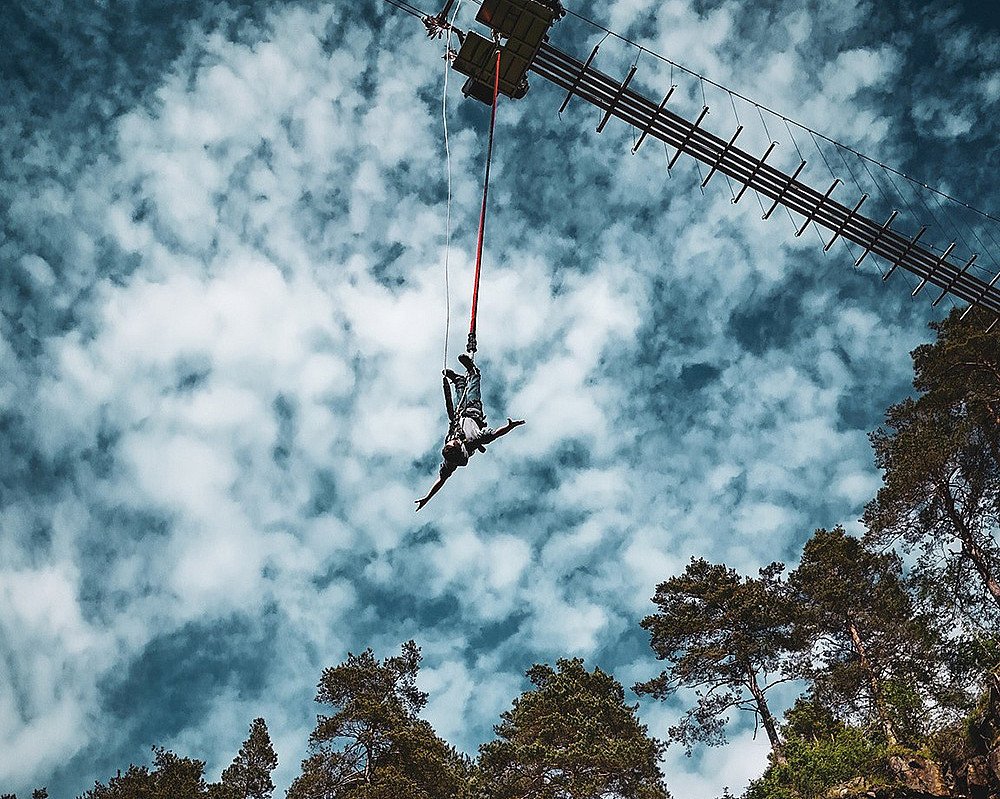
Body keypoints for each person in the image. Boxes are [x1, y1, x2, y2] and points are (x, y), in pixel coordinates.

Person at [415, 353, 525, 511]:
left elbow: (441, 480)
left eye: (450, 442)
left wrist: (427, 497)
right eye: (454, 442)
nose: (452, 440)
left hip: (459, 414)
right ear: (460, 447)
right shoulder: (474, 439)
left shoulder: (449, 460)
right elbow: (495, 434)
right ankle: (473, 371)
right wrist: (510, 427)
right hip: (473, 410)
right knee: (473, 386)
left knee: (459, 395)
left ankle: (459, 381)